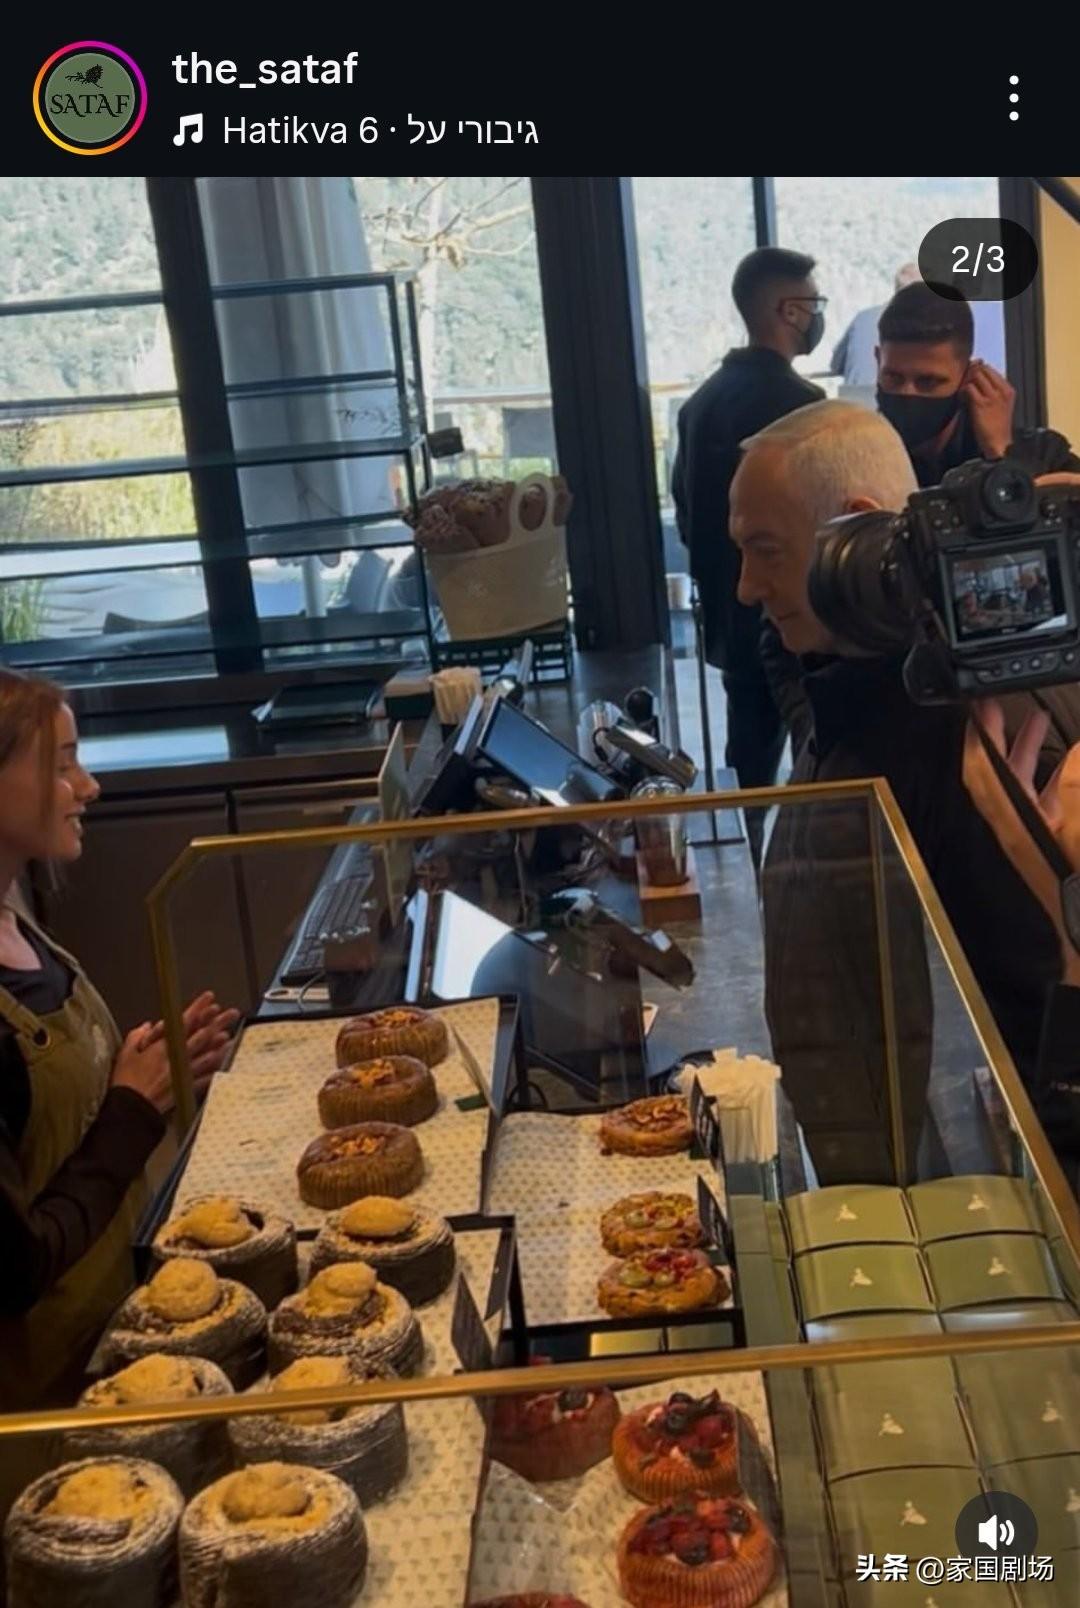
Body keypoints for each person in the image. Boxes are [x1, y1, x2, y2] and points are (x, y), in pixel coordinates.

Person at [729, 401, 1080, 1186]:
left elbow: (1040, 1041)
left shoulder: (977, 741)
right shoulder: (855, 687)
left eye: (765, 550)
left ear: (856, 523)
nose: (747, 586)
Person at [0, 668, 237, 1412]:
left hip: (115, 1335)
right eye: (62, 764)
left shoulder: (18, 926)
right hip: (44, 1404)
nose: (89, 787)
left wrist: (144, 1075)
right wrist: (131, 1111)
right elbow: (14, 1269)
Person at [671, 247, 826, 852]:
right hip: (795, 621)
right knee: (820, 761)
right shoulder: (803, 407)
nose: (817, 316)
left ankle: (749, 874)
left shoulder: (700, 405)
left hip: (731, 620)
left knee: (749, 772)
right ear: (790, 311)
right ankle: (808, 878)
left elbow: (687, 518)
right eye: (813, 304)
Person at [875, 280, 1080, 487]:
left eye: (928, 382)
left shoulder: (1046, 458)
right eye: (893, 378)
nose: (907, 392)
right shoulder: (862, 454)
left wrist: (1000, 452)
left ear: (968, 376)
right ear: (877, 360)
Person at [829, 262, 921, 389]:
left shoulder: (863, 317)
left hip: (850, 398)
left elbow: (835, 365)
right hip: (890, 398)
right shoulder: (927, 325)